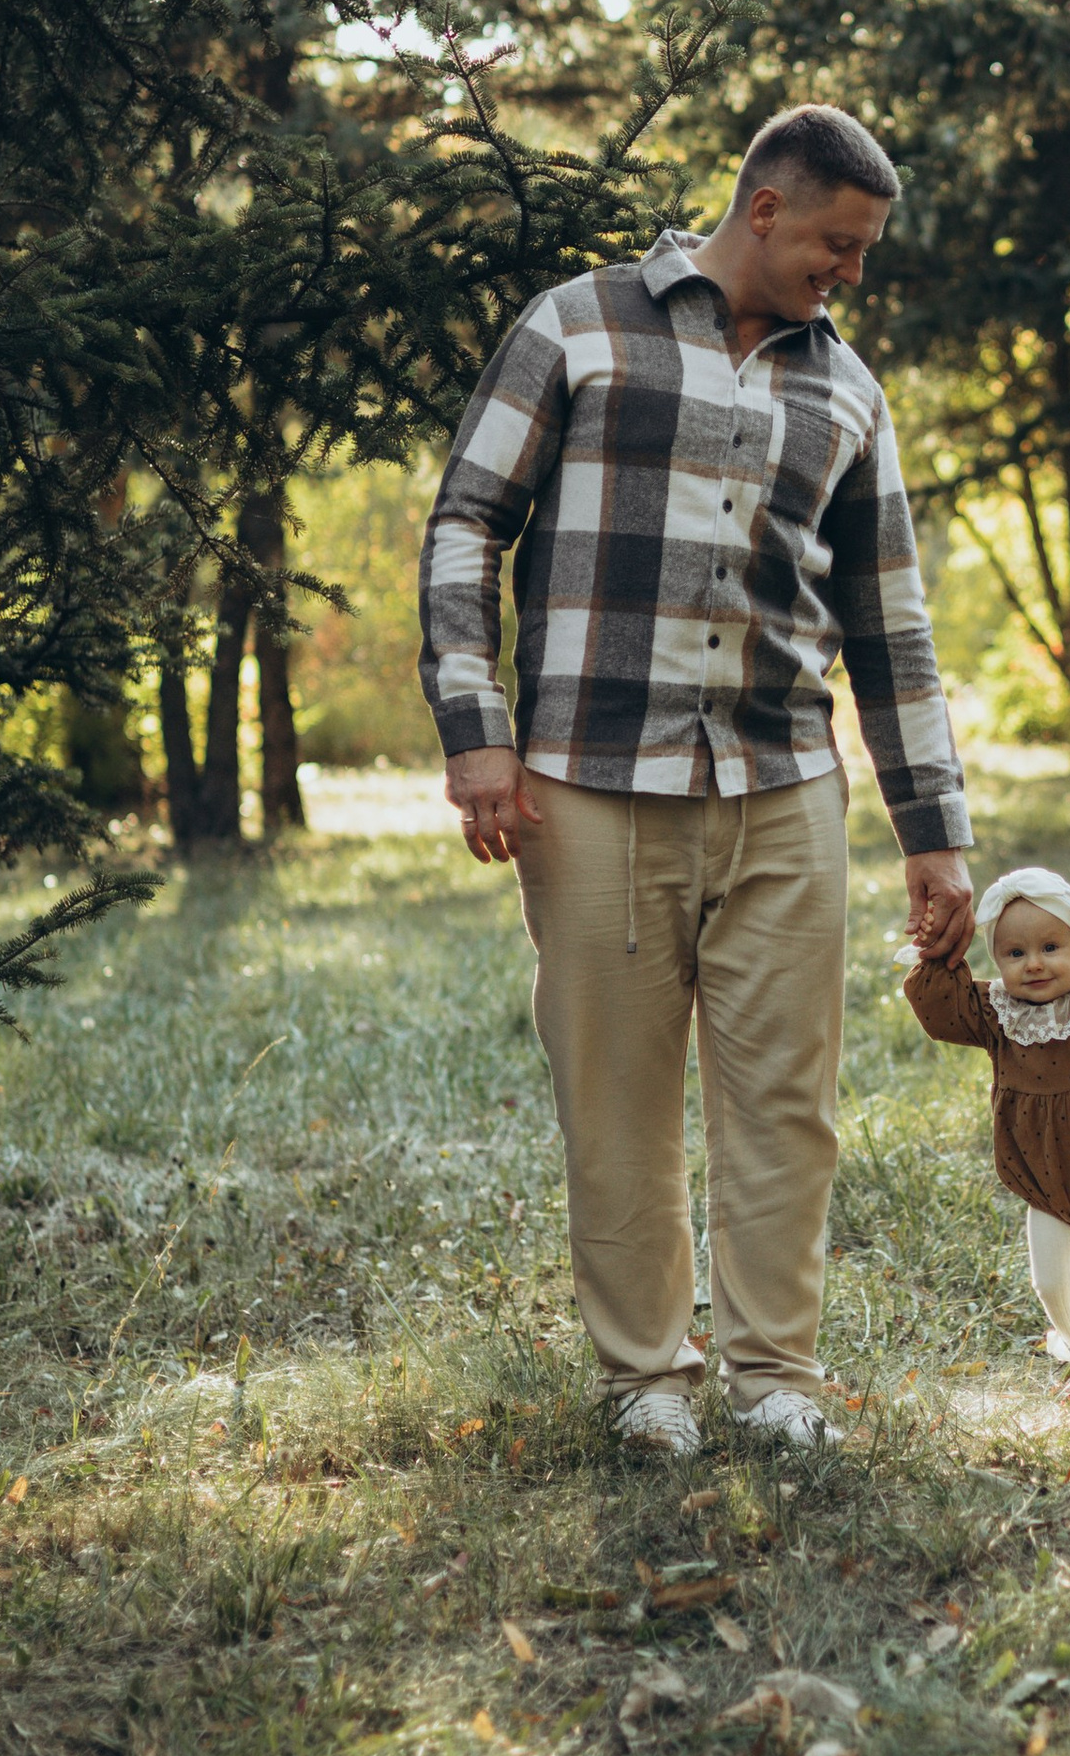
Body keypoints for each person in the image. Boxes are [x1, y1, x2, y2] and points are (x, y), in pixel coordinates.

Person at [418, 103, 975, 1457]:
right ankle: (644, 1379)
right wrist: (475, 727)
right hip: (590, 778)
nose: (851, 272)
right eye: (837, 243)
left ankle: (774, 1370)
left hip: (784, 780)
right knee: (615, 1089)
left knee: (786, 1092)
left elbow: (889, 623)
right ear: (766, 208)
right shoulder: (580, 324)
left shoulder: (848, 391)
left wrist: (933, 832)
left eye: (867, 252)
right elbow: (468, 521)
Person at [901, 800, 1070, 1417]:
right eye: (1015, 954)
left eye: (1051, 946)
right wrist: (940, 941)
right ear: (996, 962)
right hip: (1046, 1172)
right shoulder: (996, 1014)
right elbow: (940, 1006)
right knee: (1053, 1285)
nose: (1036, 963)